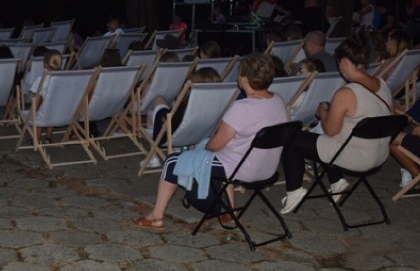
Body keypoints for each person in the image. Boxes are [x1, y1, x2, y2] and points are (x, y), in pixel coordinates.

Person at [134, 53, 288, 230]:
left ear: (244, 78)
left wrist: (203, 147)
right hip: (267, 169)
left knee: (172, 162)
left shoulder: (243, 108)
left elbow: (215, 145)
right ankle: (229, 211)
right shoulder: (277, 101)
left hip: (244, 170)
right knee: (220, 154)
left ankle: (156, 216)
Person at [279, 33, 394, 215]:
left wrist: (323, 112)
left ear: (346, 62)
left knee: (292, 138)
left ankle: (294, 192)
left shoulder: (347, 92)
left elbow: (330, 130)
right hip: (379, 154)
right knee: (324, 140)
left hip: (358, 157)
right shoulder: (382, 84)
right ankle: (337, 183)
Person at [142, 67, 223, 169]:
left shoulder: (188, 105)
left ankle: (153, 156)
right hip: (202, 135)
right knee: (153, 111)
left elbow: (172, 123)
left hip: (175, 136)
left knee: (157, 102)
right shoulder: (219, 105)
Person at [29, 50, 64, 144]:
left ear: (44, 64)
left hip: (45, 113)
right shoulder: (65, 78)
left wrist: (32, 113)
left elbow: (35, 104)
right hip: (61, 112)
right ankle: (48, 137)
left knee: (40, 111)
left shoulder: (41, 80)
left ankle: (36, 138)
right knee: (52, 107)